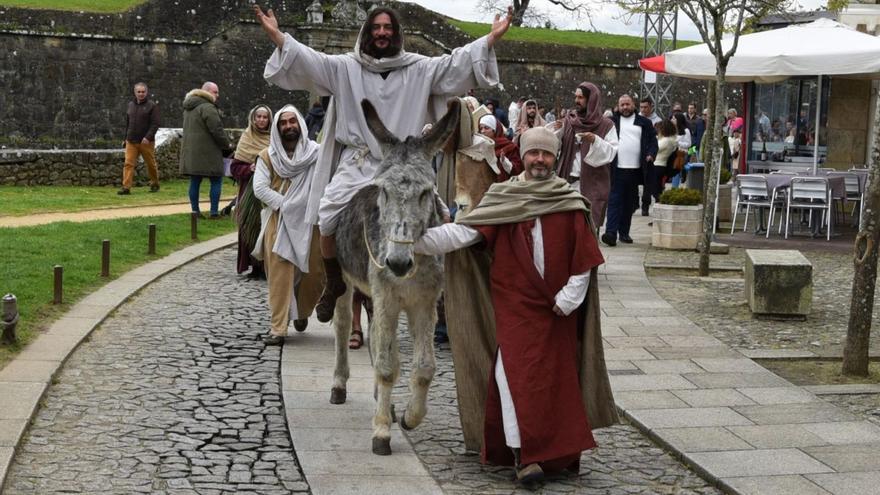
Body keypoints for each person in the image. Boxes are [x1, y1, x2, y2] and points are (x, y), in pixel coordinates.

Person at [254, 3, 511, 322]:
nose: (382, 33)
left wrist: (489, 40)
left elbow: (453, 64)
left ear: (397, 33)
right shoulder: (345, 68)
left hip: (401, 163)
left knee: (437, 214)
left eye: (388, 28)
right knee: (327, 213)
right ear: (367, 32)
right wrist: (278, 36)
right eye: (376, 28)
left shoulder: (419, 68)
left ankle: (437, 288)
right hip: (358, 159)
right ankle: (334, 281)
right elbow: (311, 61)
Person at [414, 126, 617, 484]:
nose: (540, 160)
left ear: (556, 157)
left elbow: (584, 257)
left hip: (557, 310)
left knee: (555, 383)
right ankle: (524, 455)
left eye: (547, 154)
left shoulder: (568, 201)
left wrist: (570, 295)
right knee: (513, 378)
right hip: (515, 307)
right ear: (522, 156)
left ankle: (555, 454)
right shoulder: (503, 198)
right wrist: (414, 242)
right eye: (534, 153)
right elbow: (467, 232)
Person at [252, 105, 323, 345]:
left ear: (300, 125)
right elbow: (260, 188)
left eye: (293, 122)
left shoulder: (317, 154)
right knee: (280, 276)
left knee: (314, 273)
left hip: (310, 221)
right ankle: (278, 328)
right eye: (283, 123)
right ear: (277, 128)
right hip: (279, 221)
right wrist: (288, 205)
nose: (289, 126)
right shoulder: (267, 156)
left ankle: (302, 312)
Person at [553, 82, 619, 228]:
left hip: (592, 185)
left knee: (587, 229)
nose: (576, 101)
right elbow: (555, 147)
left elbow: (611, 152)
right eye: (576, 97)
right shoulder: (569, 121)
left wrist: (595, 140)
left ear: (592, 99)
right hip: (567, 184)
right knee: (565, 229)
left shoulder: (606, 125)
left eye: (581, 97)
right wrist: (556, 131)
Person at [602, 94, 657, 246]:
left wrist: (651, 154)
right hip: (617, 169)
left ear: (633, 105)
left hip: (635, 170)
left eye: (627, 104)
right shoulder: (611, 122)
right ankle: (610, 233)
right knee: (614, 201)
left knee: (629, 203)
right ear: (618, 106)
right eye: (622, 105)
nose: (625, 107)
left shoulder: (644, 122)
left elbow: (653, 141)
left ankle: (624, 233)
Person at [229, 104, 273, 277]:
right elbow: (235, 168)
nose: (261, 120)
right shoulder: (246, 138)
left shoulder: (275, 139)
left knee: (268, 226)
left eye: (264, 117)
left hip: (269, 189)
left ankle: (267, 265)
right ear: (253, 119)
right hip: (249, 191)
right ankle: (254, 266)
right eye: (258, 117)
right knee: (250, 227)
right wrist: (250, 169)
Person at [179, 82, 231, 219]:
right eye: (215, 92)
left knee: (195, 181)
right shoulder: (208, 107)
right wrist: (227, 146)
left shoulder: (188, 107)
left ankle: (195, 212)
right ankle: (214, 213)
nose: (217, 95)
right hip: (209, 152)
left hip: (192, 152)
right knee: (216, 180)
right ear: (206, 91)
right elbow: (217, 130)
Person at [120, 82, 161, 195]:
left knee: (150, 163)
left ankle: (154, 183)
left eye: (143, 92)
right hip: (131, 140)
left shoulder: (152, 106)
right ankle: (126, 187)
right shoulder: (130, 105)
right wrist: (125, 138)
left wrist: (148, 137)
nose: (141, 94)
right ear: (135, 92)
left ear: (146, 92)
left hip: (146, 142)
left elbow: (155, 124)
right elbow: (128, 123)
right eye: (139, 92)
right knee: (128, 163)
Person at [478, 114, 523, 182]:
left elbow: (518, 170)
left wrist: (505, 163)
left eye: (486, 128)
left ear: (494, 130)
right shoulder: (480, 146)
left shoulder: (509, 147)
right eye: (481, 128)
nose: (483, 131)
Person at [653, 119, 677, 202]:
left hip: (658, 165)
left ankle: (660, 201)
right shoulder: (671, 139)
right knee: (658, 187)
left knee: (656, 189)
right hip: (661, 165)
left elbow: (655, 148)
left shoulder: (666, 140)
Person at [669, 112, 692, 188]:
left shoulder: (686, 131)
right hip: (672, 153)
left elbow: (688, 144)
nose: (672, 120)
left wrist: (678, 143)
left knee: (677, 171)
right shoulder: (672, 129)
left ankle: (674, 188)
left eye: (674, 118)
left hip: (681, 154)